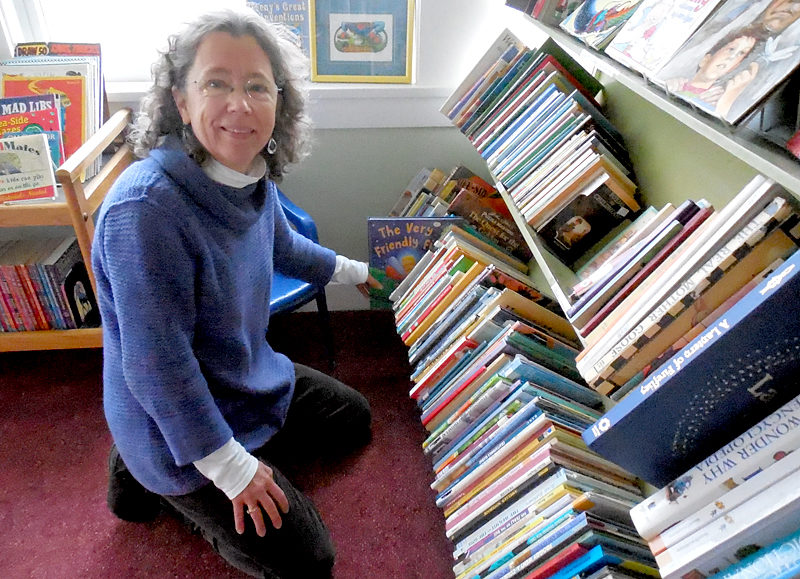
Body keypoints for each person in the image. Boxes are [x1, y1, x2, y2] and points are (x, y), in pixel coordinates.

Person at [93, 9, 381, 578]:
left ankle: (157, 459)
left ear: (280, 101)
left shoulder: (249, 174)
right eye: (216, 83)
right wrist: (232, 469)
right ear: (181, 99)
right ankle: (151, 464)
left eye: (257, 87)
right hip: (173, 402)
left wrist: (354, 271)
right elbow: (159, 365)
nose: (239, 105)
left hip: (243, 375)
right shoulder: (145, 211)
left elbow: (286, 249)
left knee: (355, 419)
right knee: (308, 563)